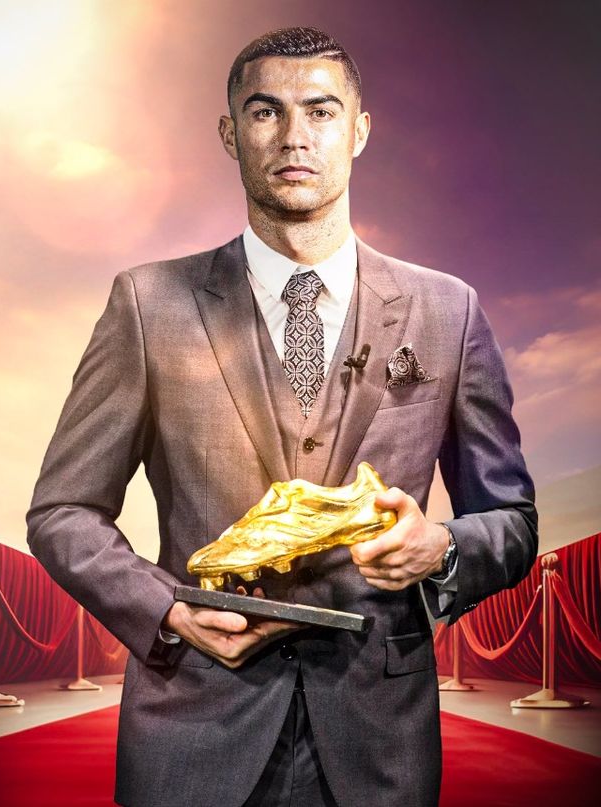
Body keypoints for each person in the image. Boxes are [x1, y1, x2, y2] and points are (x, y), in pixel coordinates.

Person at [27, 27, 538, 807]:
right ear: (230, 132)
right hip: (193, 732)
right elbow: (62, 510)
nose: (295, 136)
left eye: (321, 111)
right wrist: (167, 610)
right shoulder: (147, 303)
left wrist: (440, 548)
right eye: (266, 111)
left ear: (359, 131)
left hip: (379, 744)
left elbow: (511, 520)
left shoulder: (449, 310)